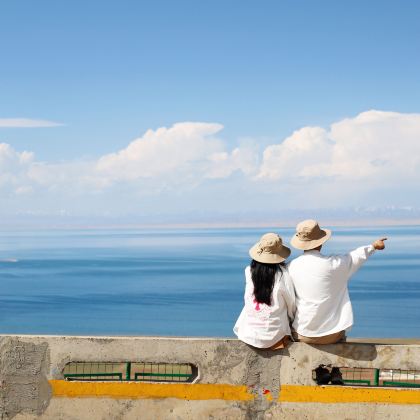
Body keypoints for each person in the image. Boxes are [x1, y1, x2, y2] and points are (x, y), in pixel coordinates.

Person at [288, 219, 387, 345]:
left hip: (302, 334)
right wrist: (374, 246)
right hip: (332, 335)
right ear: (321, 242)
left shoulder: (291, 267)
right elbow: (355, 257)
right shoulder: (335, 264)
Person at [233, 233, 295, 350]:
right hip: (275, 338)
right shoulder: (283, 275)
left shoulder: (249, 272)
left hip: (249, 334)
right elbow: (291, 304)